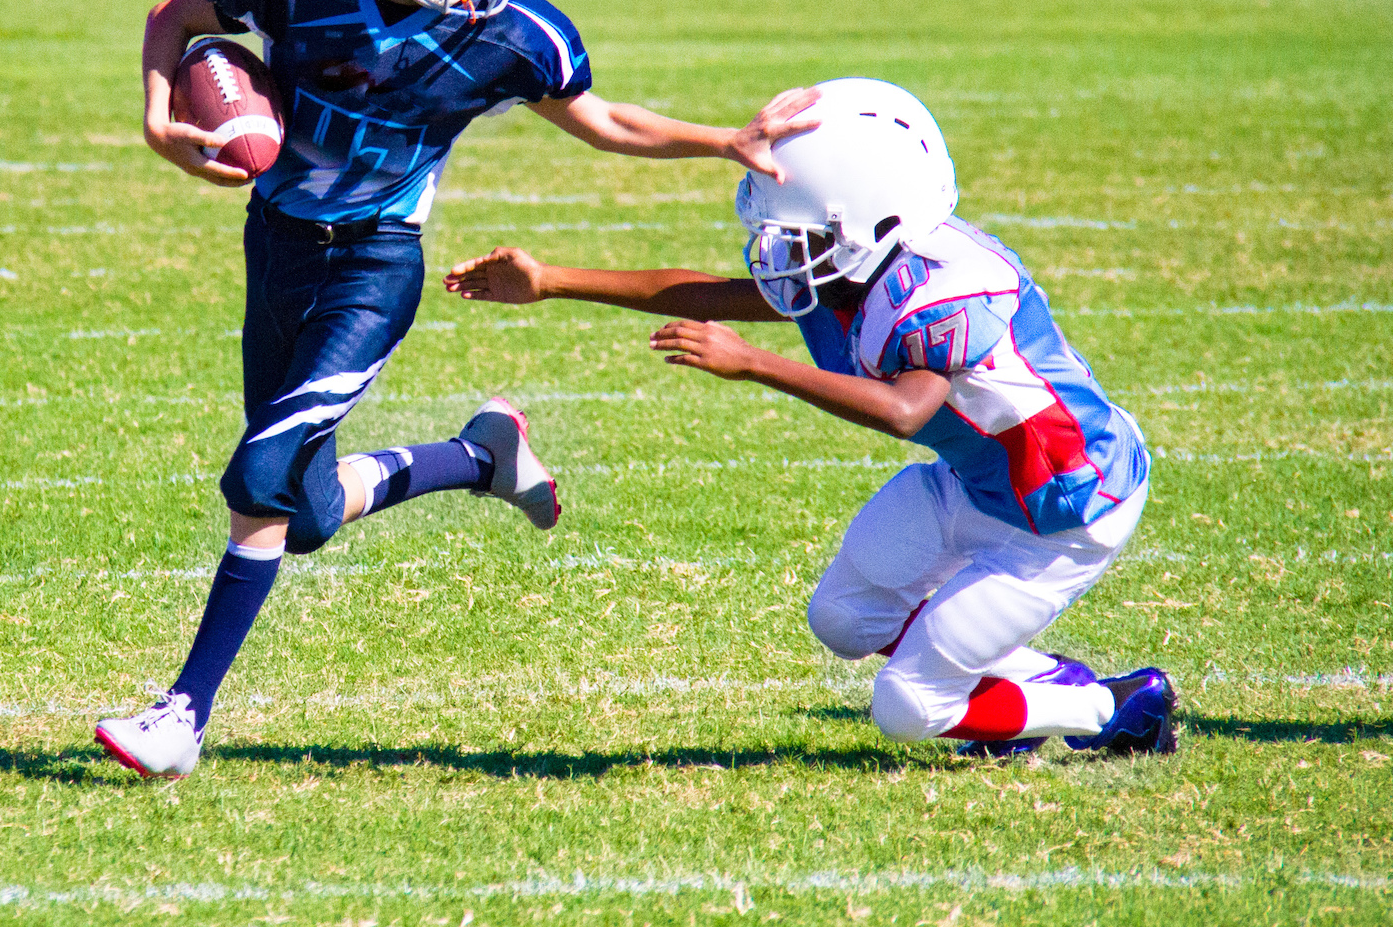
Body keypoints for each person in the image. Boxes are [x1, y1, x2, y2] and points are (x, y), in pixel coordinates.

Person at [95, 0, 814, 778]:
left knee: (258, 479)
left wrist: (719, 139)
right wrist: (156, 116)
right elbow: (177, 19)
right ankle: (482, 454)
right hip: (277, 246)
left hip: (373, 267)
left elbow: (604, 121)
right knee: (299, 512)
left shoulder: (511, 37)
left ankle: (181, 714)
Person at [444, 77, 1178, 758]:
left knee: (906, 705)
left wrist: (758, 363)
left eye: (798, 227)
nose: (780, 242)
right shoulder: (859, 263)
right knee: (843, 616)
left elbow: (903, 409)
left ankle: (1111, 709)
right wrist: (552, 281)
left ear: (867, 217)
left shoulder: (946, 294)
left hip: (1061, 515)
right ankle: (1036, 687)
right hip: (980, 484)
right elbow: (711, 293)